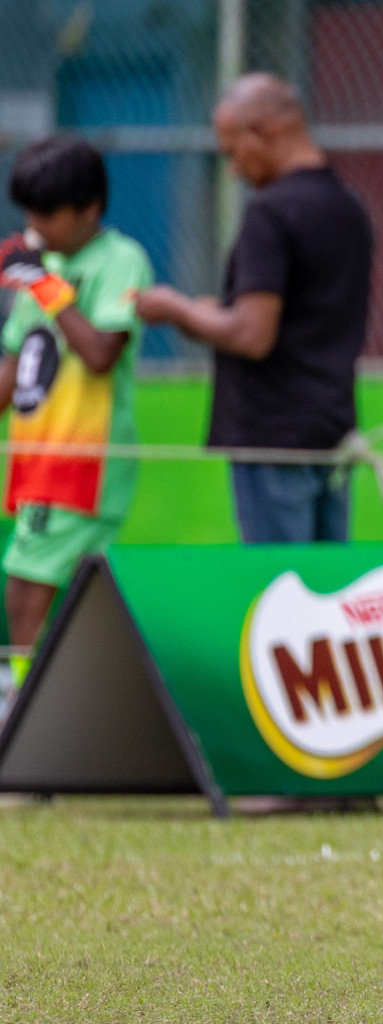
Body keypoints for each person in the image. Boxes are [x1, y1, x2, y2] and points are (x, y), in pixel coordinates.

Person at [135, 73, 373, 543]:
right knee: (329, 589)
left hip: (273, 435)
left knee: (280, 586)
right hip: (331, 428)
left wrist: (177, 309)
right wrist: (218, 310)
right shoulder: (349, 206)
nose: (233, 168)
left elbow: (252, 334)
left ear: (261, 131)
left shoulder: (271, 212)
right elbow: (304, 311)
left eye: (231, 150)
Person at [0, 136, 151, 688]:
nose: (35, 224)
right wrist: (38, 278)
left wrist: (45, 284)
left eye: (49, 213)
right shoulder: (45, 265)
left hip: (84, 459)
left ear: (90, 209)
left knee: (26, 579)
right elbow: (16, 363)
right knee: (75, 587)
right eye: (29, 212)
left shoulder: (120, 259)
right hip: (35, 454)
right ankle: (59, 699)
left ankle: (21, 701)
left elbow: (100, 353)